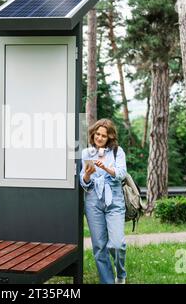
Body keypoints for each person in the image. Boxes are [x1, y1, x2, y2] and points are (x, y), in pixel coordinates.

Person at [80, 118, 127, 284]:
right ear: (93, 135)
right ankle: (107, 281)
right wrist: (86, 175)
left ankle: (121, 274)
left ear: (109, 138)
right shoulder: (86, 153)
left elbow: (122, 174)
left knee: (117, 244)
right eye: (97, 134)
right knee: (99, 247)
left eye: (103, 136)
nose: (99, 138)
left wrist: (106, 167)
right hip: (93, 201)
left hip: (114, 199)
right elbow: (83, 181)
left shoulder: (117, 152)